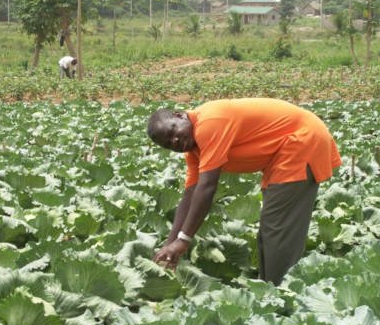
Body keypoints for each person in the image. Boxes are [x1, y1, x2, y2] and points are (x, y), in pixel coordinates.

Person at [146, 98, 342, 286]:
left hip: (302, 140)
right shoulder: (193, 150)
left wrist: (184, 240)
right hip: (282, 154)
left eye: (173, 131)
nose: (176, 140)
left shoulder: (209, 123)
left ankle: (283, 294)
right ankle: (270, 289)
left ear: (180, 116)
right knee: (270, 229)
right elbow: (190, 194)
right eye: (168, 143)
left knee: (278, 228)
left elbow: (207, 188)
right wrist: (170, 243)